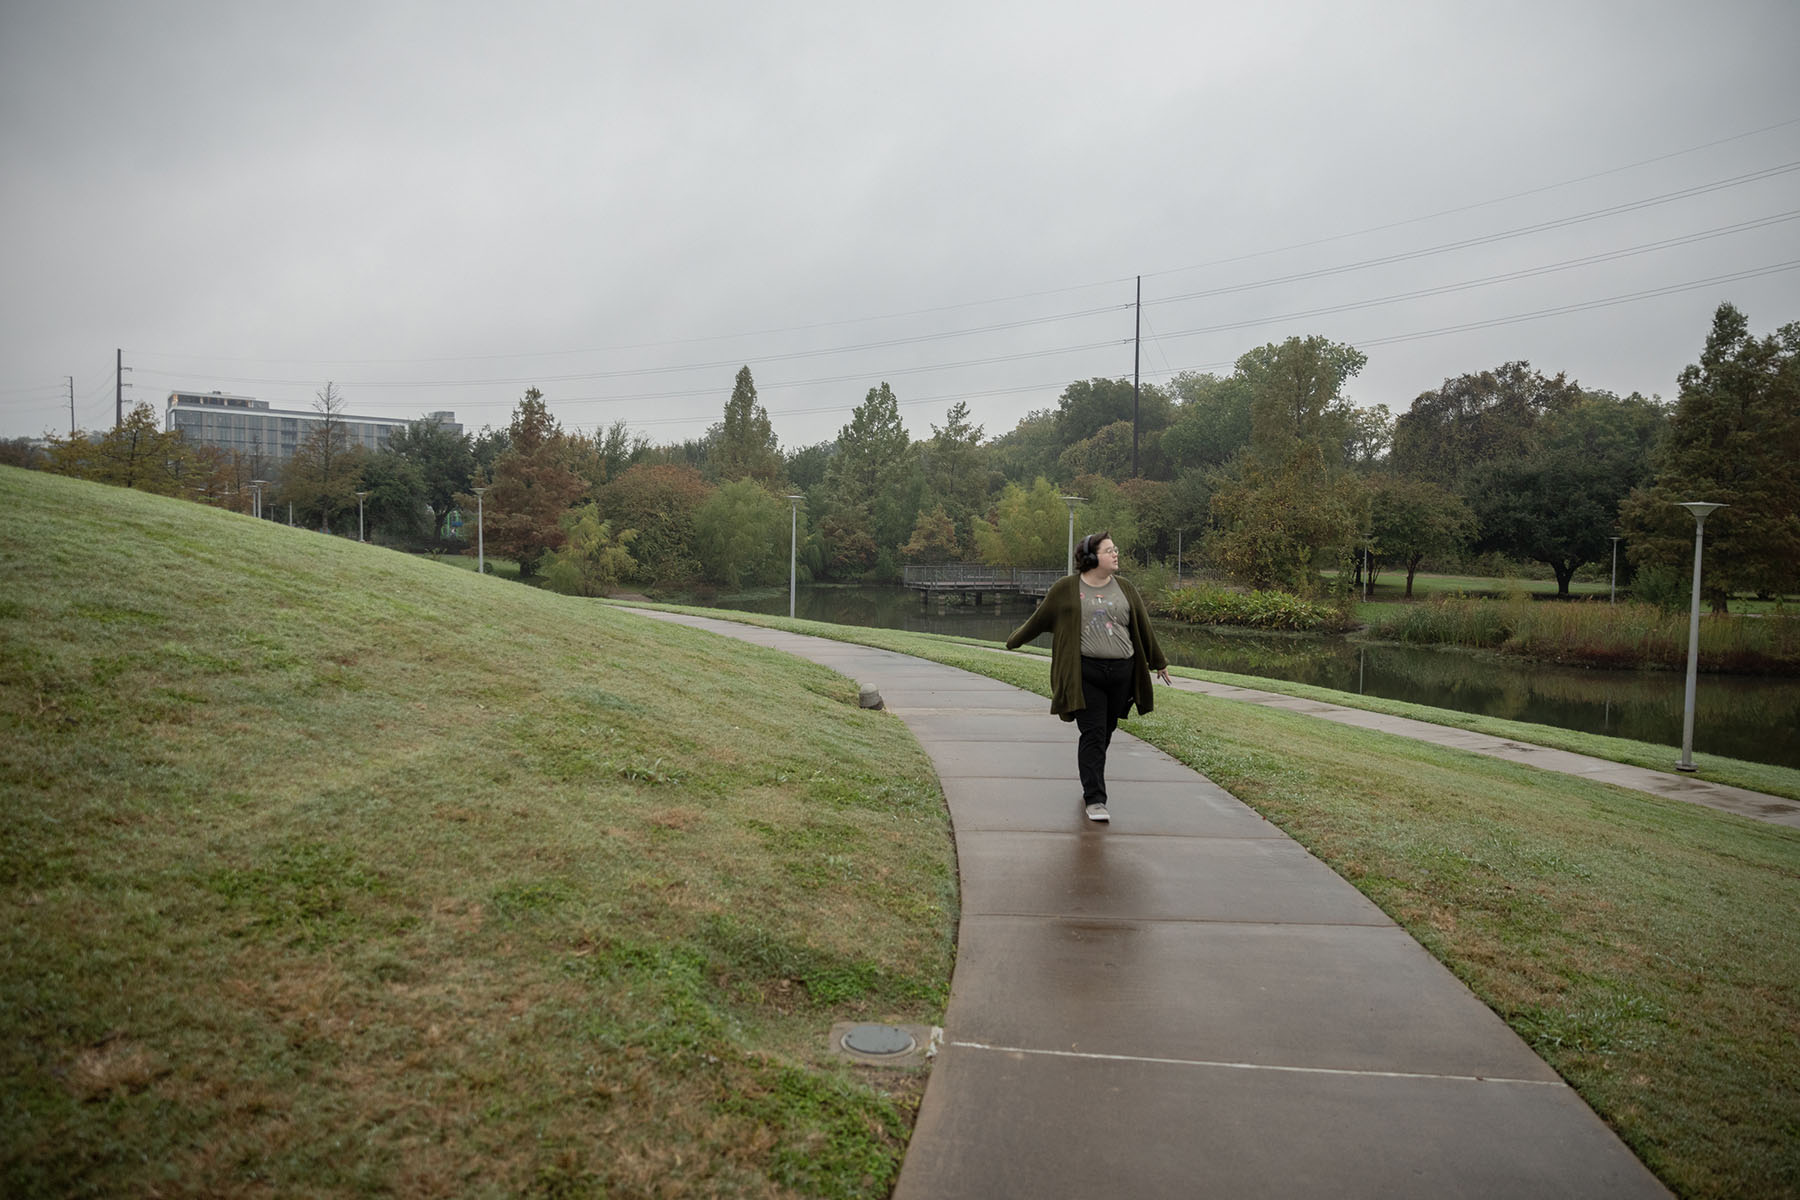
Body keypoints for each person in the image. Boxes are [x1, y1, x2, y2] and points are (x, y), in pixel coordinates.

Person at [1005, 531, 1171, 823]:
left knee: (1105, 733)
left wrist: (1158, 661)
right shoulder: (1066, 589)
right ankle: (1095, 798)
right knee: (1093, 733)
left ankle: (1091, 779)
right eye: (1110, 550)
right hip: (1085, 674)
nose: (1116, 554)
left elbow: (1143, 626)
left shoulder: (1126, 588)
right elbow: (1038, 620)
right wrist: (1014, 640)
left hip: (1122, 673)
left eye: (1115, 549)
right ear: (1092, 558)